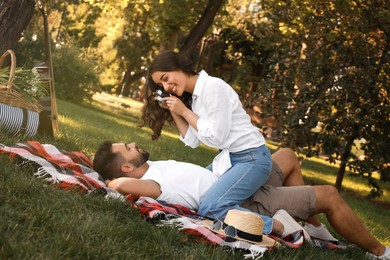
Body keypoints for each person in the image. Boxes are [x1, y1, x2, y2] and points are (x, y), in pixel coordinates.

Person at [93, 141, 389, 259]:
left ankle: (309, 226)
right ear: (126, 167)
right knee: (329, 195)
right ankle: (380, 253)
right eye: (128, 148)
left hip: (238, 184)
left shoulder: (152, 168)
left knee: (286, 155)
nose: (133, 144)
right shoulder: (149, 183)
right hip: (244, 203)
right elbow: (121, 184)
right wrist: (113, 181)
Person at [140, 50, 272, 222]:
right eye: (161, 85)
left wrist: (185, 112)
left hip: (251, 158)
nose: (165, 87)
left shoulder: (213, 88)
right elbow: (193, 141)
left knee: (210, 209)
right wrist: (174, 110)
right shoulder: (194, 98)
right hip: (229, 160)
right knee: (197, 195)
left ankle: (279, 225)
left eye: (165, 78)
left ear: (178, 67)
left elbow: (217, 138)